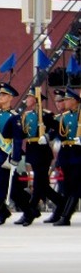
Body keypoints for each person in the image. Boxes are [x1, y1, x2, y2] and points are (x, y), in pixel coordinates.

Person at [0, 82, 29, 227]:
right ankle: (30, 211)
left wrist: (15, 159)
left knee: (2, 190)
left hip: (6, 158)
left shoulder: (14, 117)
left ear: (9, 98)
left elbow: (17, 140)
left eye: (3, 95)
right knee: (13, 190)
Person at [21, 89, 63, 224]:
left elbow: (57, 127)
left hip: (43, 152)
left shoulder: (45, 114)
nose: (27, 99)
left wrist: (48, 136)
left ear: (35, 99)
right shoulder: (26, 115)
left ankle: (30, 212)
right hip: (32, 150)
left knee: (39, 183)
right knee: (43, 185)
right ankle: (62, 203)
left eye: (29, 97)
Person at [52, 89, 80, 225]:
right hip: (67, 155)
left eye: (67, 100)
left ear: (74, 101)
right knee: (67, 187)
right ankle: (64, 215)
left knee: (75, 188)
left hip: (78, 155)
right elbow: (60, 135)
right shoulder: (63, 117)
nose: (65, 102)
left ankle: (65, 217)